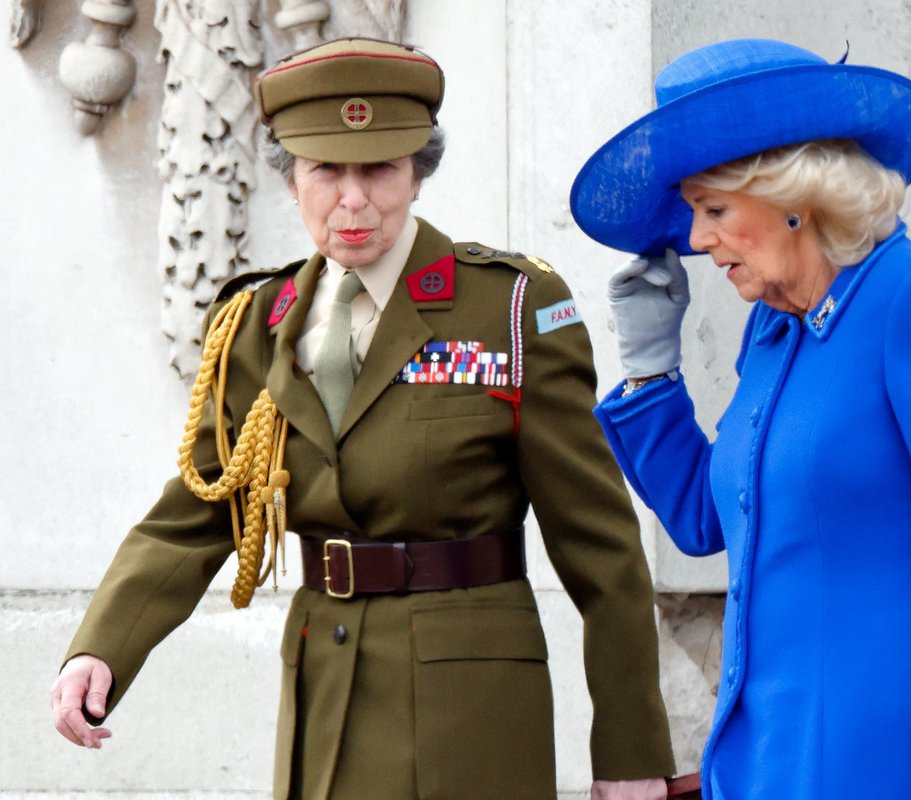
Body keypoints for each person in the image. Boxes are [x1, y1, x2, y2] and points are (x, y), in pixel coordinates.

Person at [50, 37, 675, 800]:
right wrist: (103, 648)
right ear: (290, 180)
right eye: (326, 172)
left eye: (379, 168)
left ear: (417, 172)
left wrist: (630, 748)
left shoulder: (512, 309)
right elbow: (199, 512)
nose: (353, 200)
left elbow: (602, 549)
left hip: (469, 715)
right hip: (323, 697)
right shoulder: (257, 321)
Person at [570, 38, 911, 800]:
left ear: (792, 197)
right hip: (766, 751)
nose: (696, 241)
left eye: (714, 210)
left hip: (889, 748)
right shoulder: (775, 331)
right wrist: (650, 370)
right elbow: (708, 519)